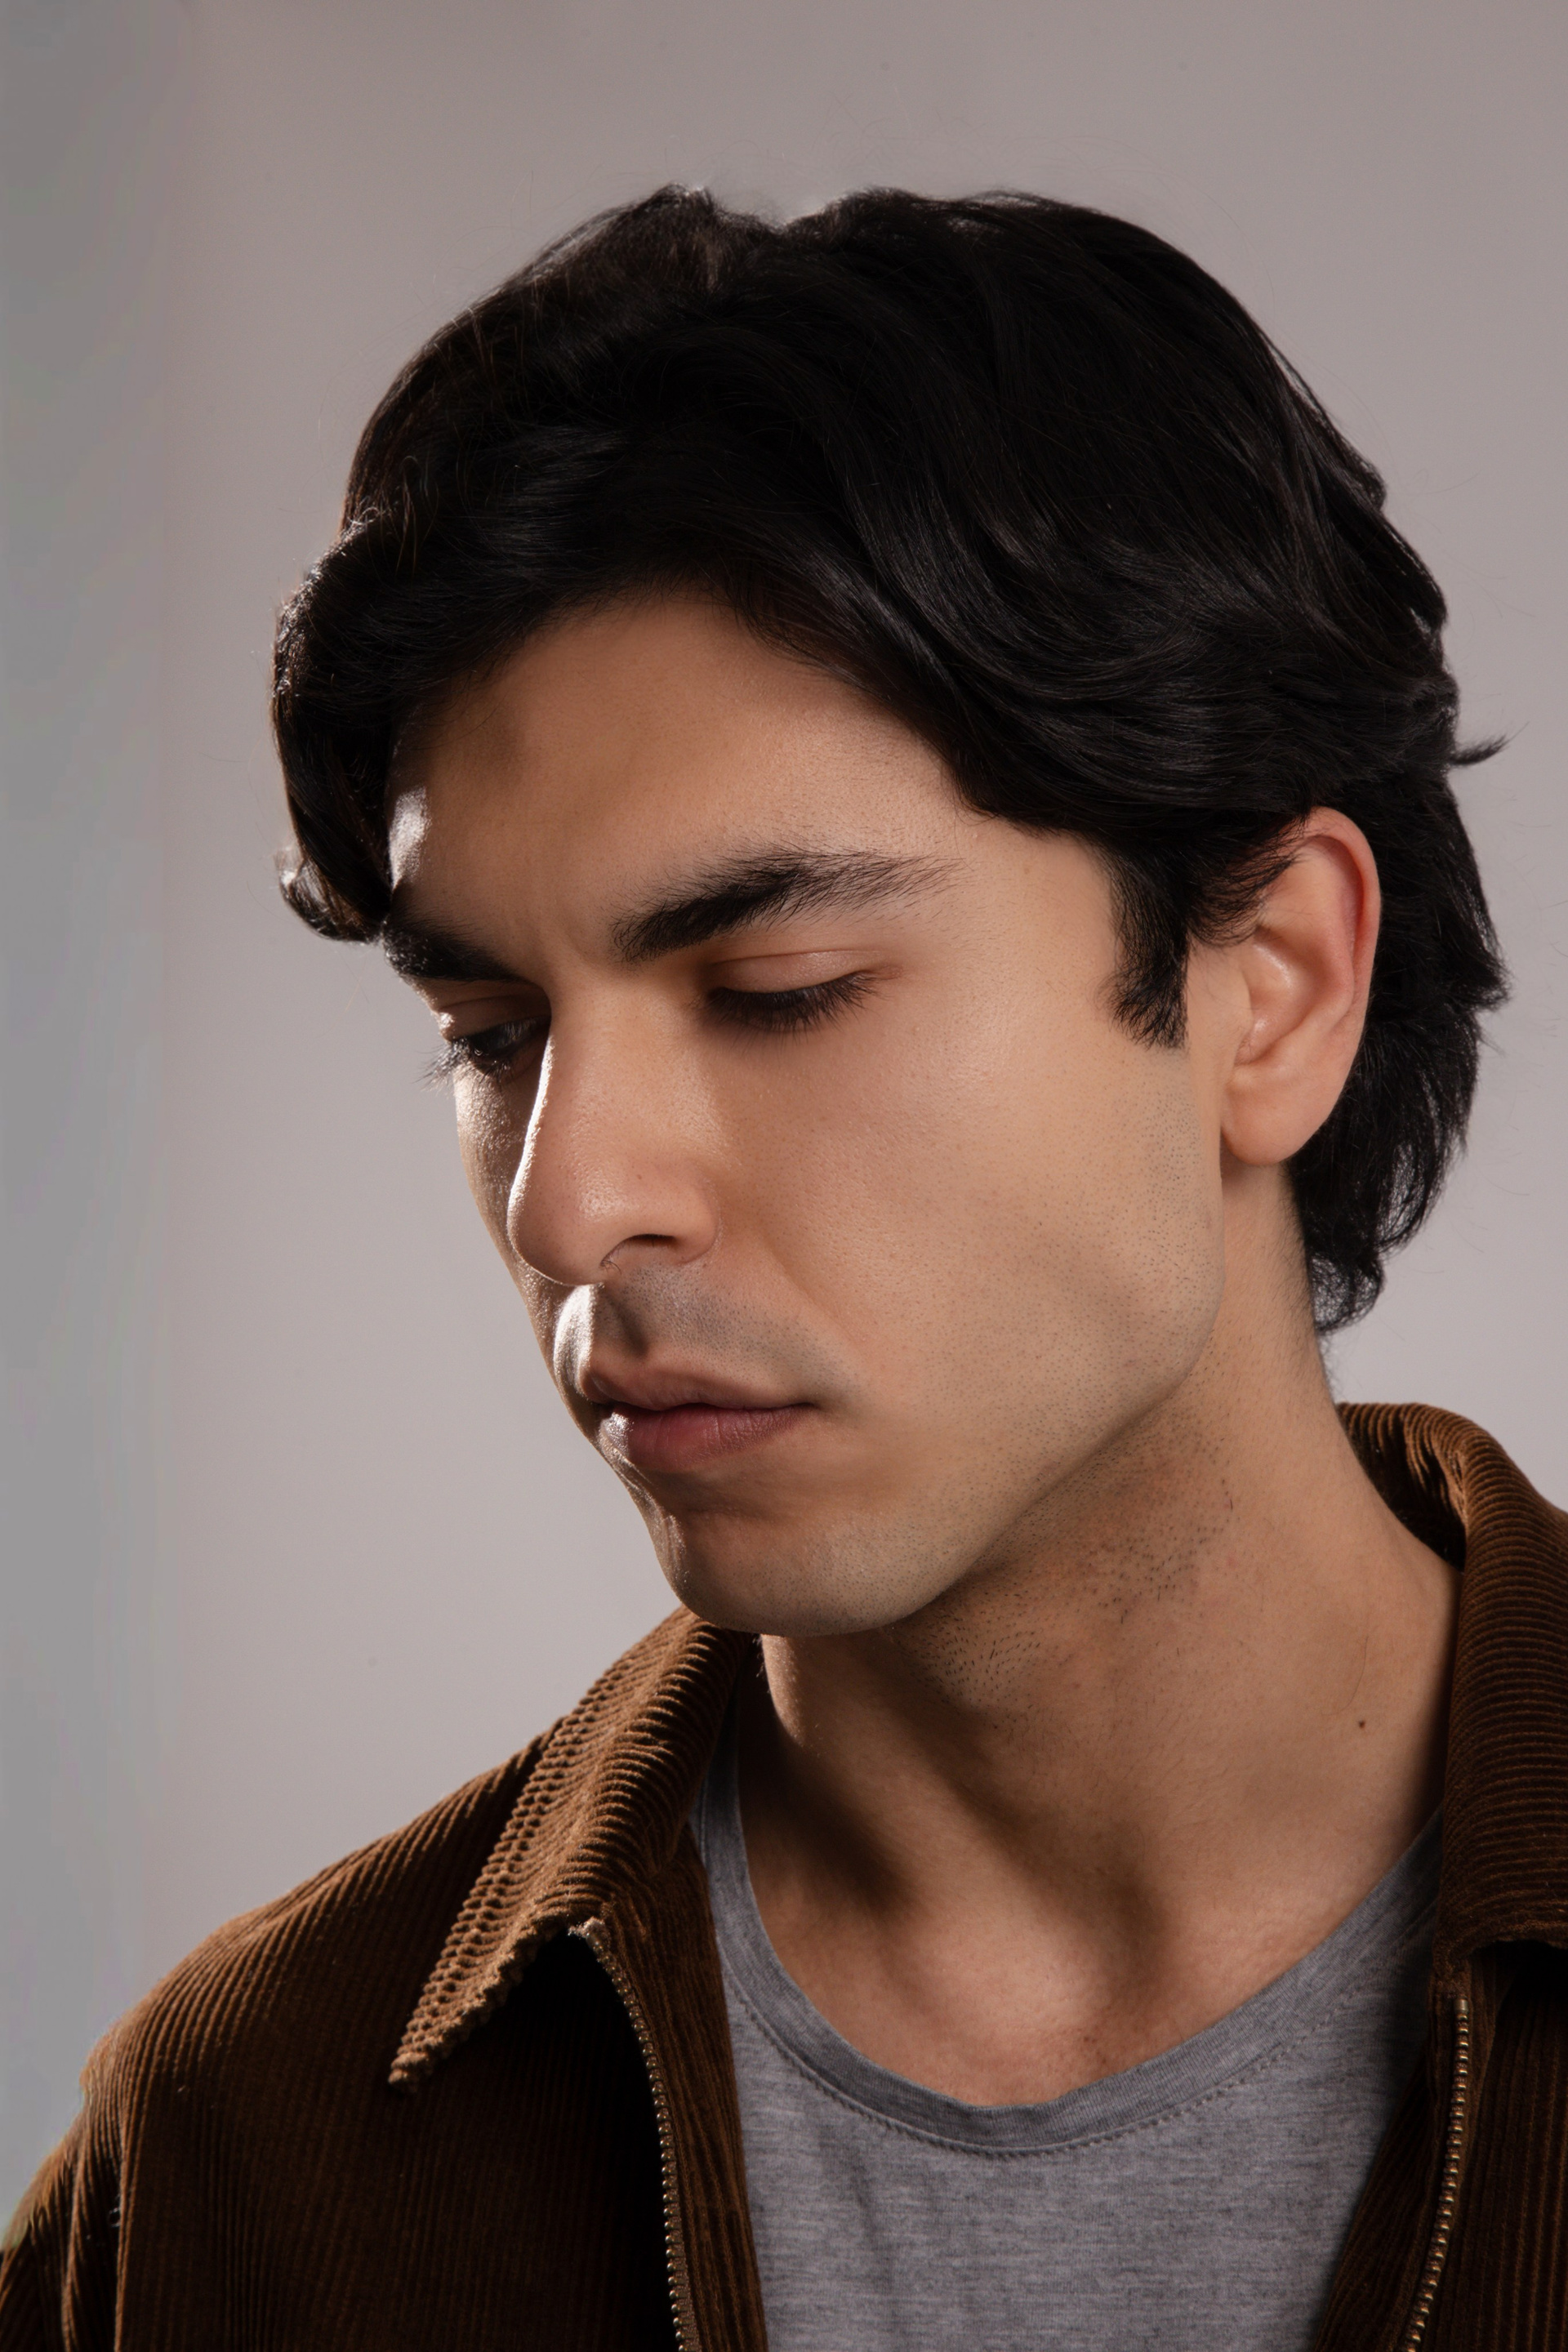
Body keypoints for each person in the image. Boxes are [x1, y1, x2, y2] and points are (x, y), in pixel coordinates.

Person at [3, 185, 1563, 2352]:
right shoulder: (245, 2164)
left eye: (778, 991)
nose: (570, 1208)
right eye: (489, 1033)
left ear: (1273, 985)